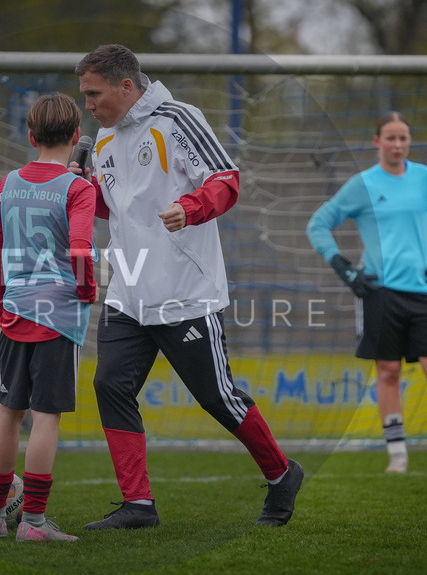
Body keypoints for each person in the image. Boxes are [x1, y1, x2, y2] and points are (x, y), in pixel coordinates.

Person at [73, 44, 303, 530]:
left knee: (216, 396)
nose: (88, 105)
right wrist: (78, 191)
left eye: (94, 95)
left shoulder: (179, 118)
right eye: (85, 97)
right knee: (109, 385)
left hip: (185, 290)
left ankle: (282, 473)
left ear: (126, 86)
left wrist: (191, 208)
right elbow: (116, 209)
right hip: (128, 292)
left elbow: (226, 179)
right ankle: (137, 505)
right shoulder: (103, 139)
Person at [306, 112, 427, 475]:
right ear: (377, 142)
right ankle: (397, 457)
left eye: (404, 138)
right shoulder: (362, 184)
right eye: (391, 138)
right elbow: (318, 224)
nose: (398, 145)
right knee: (388, 371)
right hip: (378, 292)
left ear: (410, 142)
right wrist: (344, 268)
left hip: (422, 294)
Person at [0, 92, 98, 542]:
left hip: (15, 314)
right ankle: (34, 523)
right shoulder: (77, 188)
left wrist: (1, 300)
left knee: (8, 412)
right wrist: (86, 291)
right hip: (58, 317)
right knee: (46, 417)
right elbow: (81, 249)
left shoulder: (9, 182)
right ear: (76, 136)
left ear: (30, 136)